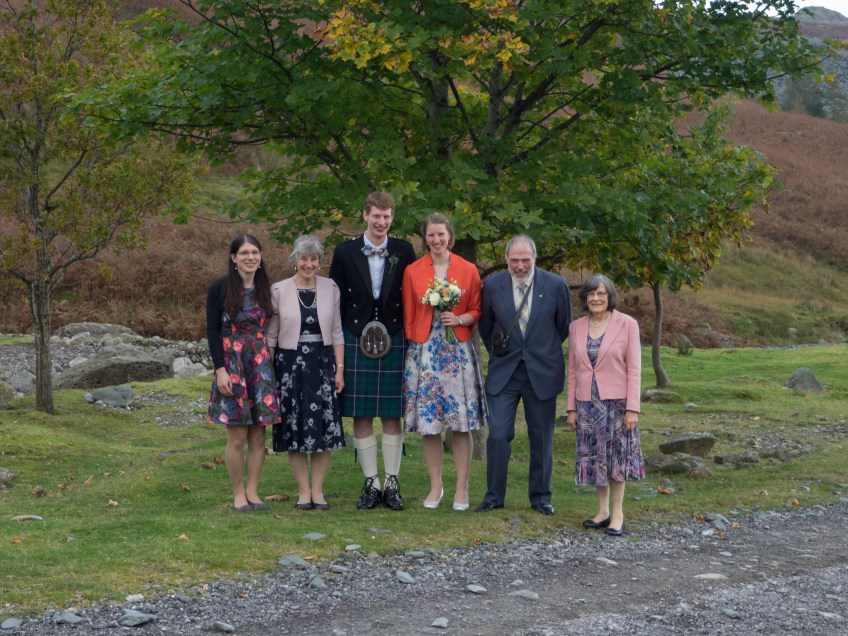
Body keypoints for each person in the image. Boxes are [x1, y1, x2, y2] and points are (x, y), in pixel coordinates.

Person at [328, 192, 417, 510]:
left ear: (392, 217)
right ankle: (371, 483)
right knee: (362, 414)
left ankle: (391, 483)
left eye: (387, 216)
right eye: (376, 215)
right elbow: (336, 299)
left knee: (392, 414)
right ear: (365, 215)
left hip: (394, 335)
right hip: (356, 335)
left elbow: (412, 294)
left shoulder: (404, 250)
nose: (381, 222)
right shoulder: (344, 251)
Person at [476, 235, 572, 515]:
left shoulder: (556, 285)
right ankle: (494, 496)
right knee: (498, 434)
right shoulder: (492, 286)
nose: (520, 266)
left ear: (535, 258)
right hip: (504, 372)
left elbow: (563, 326)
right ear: (506, 259)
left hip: (542, 371)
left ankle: (541, 498)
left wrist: (539, 350)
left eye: (525, 260)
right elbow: (486, 328)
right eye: (514, 260)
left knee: (541, 437)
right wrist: (502, 352)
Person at [402, 213, 488, 511]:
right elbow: (409, 313)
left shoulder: (468, 269)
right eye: (431, 235)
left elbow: (476, 309)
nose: (436, 239)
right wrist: (415, 349)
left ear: (450, 236)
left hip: (457, 351)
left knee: (461, 424)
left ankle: (462, 486)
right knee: (430, 424)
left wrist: (460, 318)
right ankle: (436, 485)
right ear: (424, 238)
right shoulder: (413, 271)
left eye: (441, 234)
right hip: (426, 352)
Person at [267, 235, 345, 511]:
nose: (309, 264)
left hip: (322, 364)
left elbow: (337, 332)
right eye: (304, 258)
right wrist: (270, 374)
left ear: (320, 261)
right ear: (295, 260)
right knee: (295, 429)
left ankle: (318, 491)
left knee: (322, 428)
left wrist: (340, 370)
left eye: (314, 259)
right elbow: (272, 336)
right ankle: (303, 491)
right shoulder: (278, 290)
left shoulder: (331, 287)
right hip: (289, 366)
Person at [206, 234, 280, 512]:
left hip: (260, 366)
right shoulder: (220, 288)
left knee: (258, 436)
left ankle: (252, 491)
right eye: (245, 253)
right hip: (232, 366)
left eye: (255, 252)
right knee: (237, 436)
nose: (251, 257)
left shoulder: (267, 290)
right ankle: (238, 492)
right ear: (234, 258)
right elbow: (212, 330)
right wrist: (220, 370)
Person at [566, 273, 644, 536]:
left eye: (601, 293)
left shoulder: (627, 324)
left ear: (610, 296)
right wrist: (571, 408)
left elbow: (634, 369)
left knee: (615, 459)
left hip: (617, 404)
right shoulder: (576, 327)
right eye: (591, 294)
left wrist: (632, 408)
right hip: (587, 404)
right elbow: (573, 370)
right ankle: (602, 511)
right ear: (585, 298)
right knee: (595, 457)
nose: (596, 298)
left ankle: (618, 514)